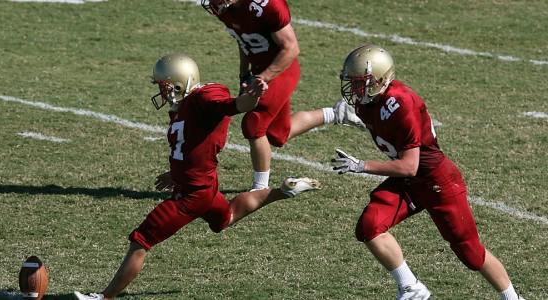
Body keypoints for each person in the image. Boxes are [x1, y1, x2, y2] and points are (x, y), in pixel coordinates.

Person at [73, 54, 321, 300]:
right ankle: (285, 191)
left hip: (191, 195)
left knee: (141, 240)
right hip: (204, 186)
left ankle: (104, 297)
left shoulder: (204, 97)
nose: (162, 92)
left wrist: (251, 96)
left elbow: (235, 106)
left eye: (165, 86)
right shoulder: (183, 106)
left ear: (181, 82)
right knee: (226, 218)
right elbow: (193, 143)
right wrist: (177, 171)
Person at [331, 44, 524, 300]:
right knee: (370, 226)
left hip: (436, 180)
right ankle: (412, 288)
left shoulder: (402, 103)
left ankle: (513, 298)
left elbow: (409, 165)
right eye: (353, 82)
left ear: (379, 79)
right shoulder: (366, 102)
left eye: (360, 82)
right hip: (409, 182)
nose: (355, 89)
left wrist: (361, 165)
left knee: (470, 253)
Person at [201, 0, 361, 191]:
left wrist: (263, 77)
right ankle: (337, 113)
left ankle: (260, 188)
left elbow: (291, 48)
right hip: (261, 70)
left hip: (282, 70)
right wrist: (244, 73)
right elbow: (243, 41)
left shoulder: (267, 5)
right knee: (278, 135)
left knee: (253, 125)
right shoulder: (226, 8)